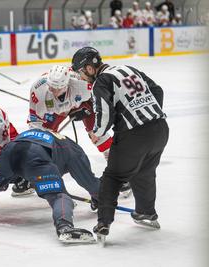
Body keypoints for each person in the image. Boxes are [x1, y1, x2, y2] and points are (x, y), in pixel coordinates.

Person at [71, 47, 169, 240]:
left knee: (112, 177)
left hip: (134, 136)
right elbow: (157, 90)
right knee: (145, 172)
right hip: (159, 129)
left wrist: (95, 132)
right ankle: (146, 212)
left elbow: (105, 116)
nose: (82, 78)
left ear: (90, 69)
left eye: (82, 72)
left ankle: (103, 223)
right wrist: (148, 113)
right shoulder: (127, 68)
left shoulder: (101, 81)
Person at [0, 128, 101, 244]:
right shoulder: (75, 151)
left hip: (11, 150)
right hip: (36, 156)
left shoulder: (57, 140)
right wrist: (100, 198)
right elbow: (90, 183)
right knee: (60, 196)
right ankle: (65, 227)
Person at [27, 65, 132, 196]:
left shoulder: (81, 85)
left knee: (97, 134)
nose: (52, 90)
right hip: (56, 110)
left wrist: (88, 109)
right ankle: (37, 173)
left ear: (66, 85)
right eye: (51, 87)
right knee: (43, 140)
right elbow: (34, 122)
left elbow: (102, 97)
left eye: (57, 88)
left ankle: (120, 171)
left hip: (83, 102)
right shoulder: (38, 90)